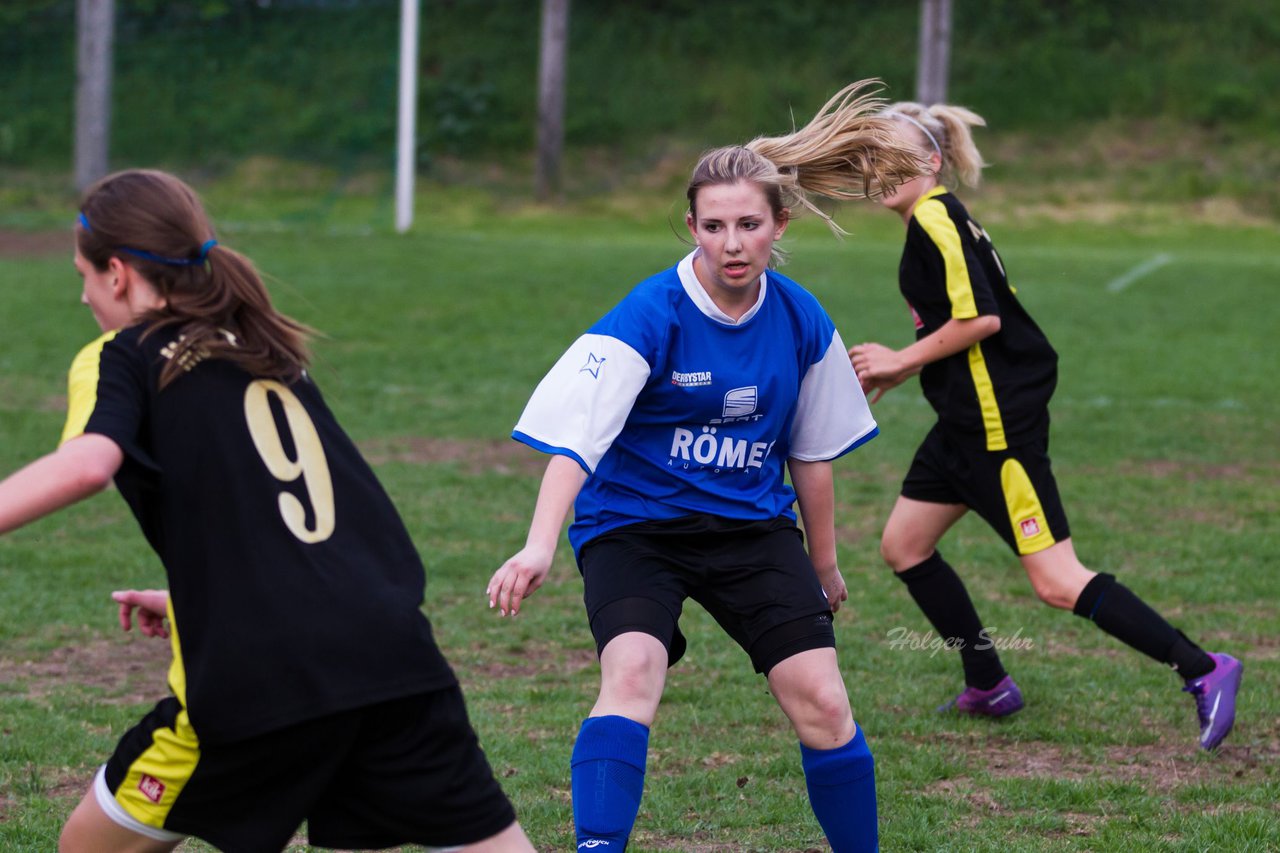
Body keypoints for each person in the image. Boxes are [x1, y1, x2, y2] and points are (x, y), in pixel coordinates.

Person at [0, 169, 536, 852]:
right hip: (390, 651)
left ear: (117, 272)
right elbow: (300, 508)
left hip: (263, 673)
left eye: (82, 274)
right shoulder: (267, 348)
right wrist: (206, 593)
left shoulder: (123, 354)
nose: (82, 294)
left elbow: (86, 464)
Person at [485, 81, 926, 853]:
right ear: (690, 227)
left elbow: (811, 453)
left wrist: (823, 563)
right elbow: (577, 443)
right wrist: (537, 544)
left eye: (749, 224)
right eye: (714, 225)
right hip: (635, 527)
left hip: (751, 530)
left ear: (777, 225)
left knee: (823, 700)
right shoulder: (649, 313)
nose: (731, 242)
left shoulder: (800, 319)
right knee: (632, 673)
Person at [847, 102, 1243, 750]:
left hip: (997, 427)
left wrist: (902, 358)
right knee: (904, 545)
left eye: (893, 157)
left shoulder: (935, 218)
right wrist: (903, 371)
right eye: (871, 158)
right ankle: (988, 681)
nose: (878, 171)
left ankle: (1203, 669)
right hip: (963, 424)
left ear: (932, 162)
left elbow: (982, 322)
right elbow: (959, 323)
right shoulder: (932, 219)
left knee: (1057, 580)